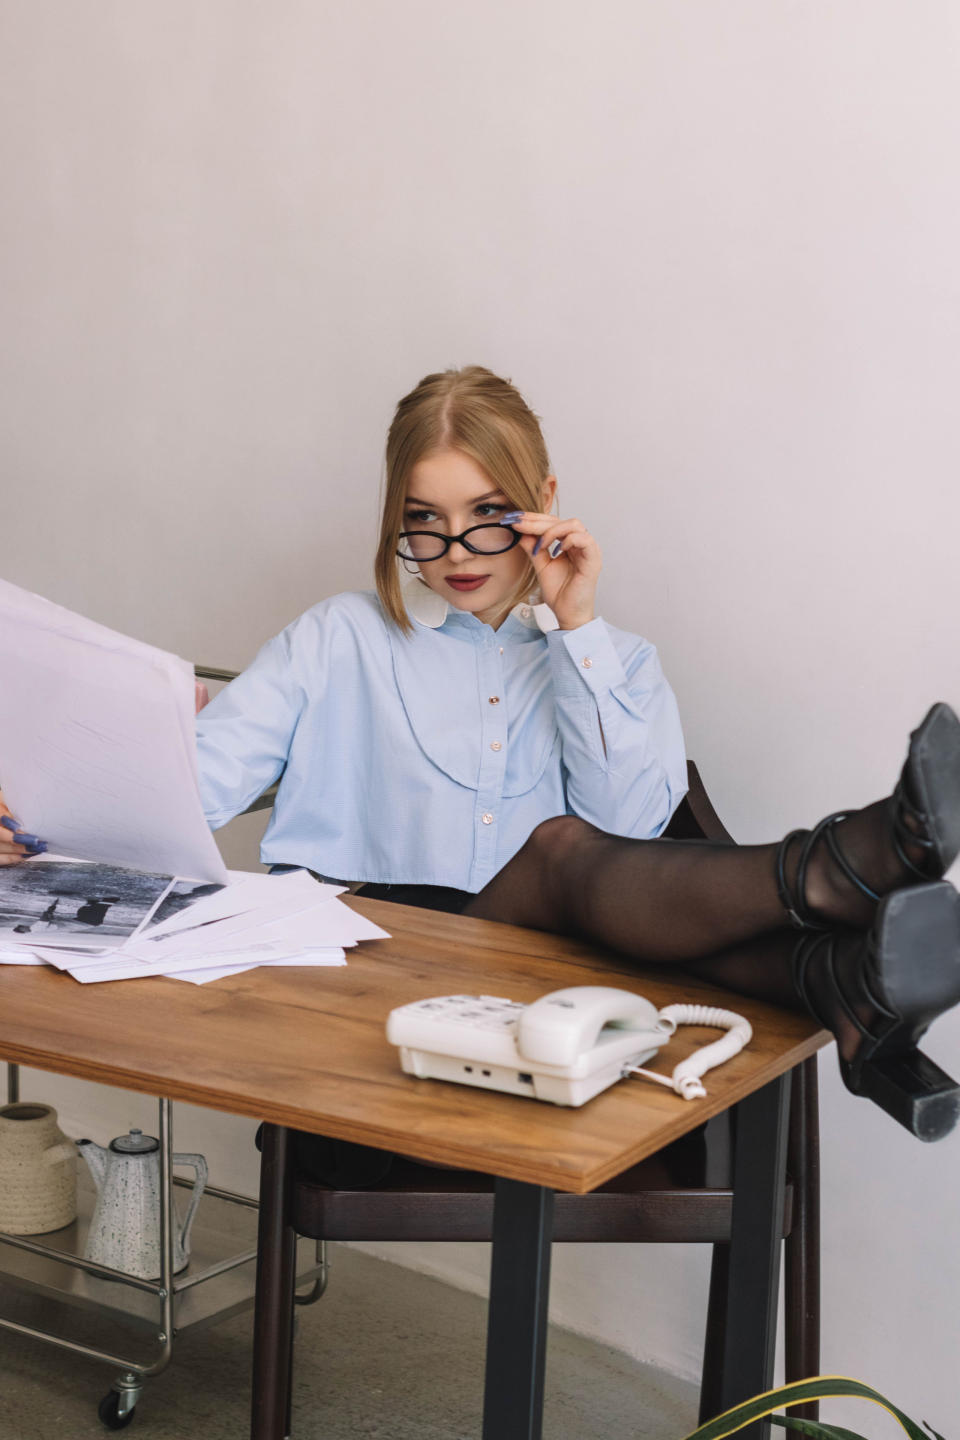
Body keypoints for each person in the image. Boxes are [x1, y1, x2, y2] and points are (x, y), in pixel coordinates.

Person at [2, 366, 959, 1147]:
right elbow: (185, 792)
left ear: (545, 505)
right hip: (367, 980)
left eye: (487, 512)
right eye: (423, 519)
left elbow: (637, 835)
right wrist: (31, 810)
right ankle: (847, 886)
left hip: (548, 998)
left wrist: (576, 630)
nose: (455, 549)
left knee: (570, 851)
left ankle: (839, 976)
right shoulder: (338, 639)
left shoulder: (614, 661)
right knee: (555, 848)